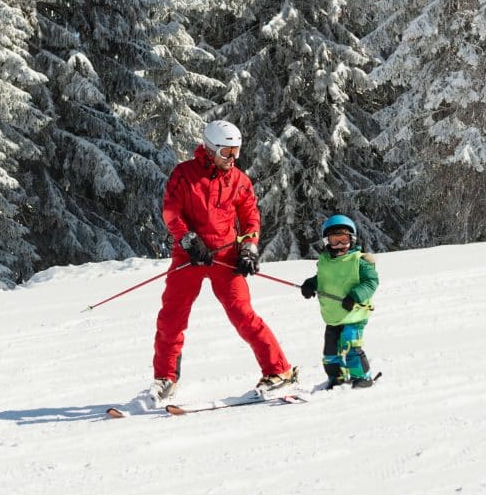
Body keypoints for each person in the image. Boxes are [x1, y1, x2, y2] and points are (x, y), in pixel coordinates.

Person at [148, 119, 296, 405]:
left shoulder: (239, 180)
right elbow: (171, 212)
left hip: (225, 255)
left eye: (236, 152)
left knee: (242, 314)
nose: (233, 158)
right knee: (171, 317)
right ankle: (165, 379)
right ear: (210, 148)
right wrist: (189, 239)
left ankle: (279, 371)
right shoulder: (184, 174)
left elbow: (250, 216)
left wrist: (249, 249)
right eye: (227, 152)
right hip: (190, 255)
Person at [300, 214, 379, 389]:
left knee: (351, 346)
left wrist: (355, 296)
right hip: (333, 315)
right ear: (327, 241)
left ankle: (362, 377)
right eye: (335, 241)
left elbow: (371, 282)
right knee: (330, 351)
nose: (339, 246)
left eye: (343, 240)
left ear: (352, 239)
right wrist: (310, 284)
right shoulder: (325, 262)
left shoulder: (359, 261)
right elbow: (323, 279)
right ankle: (337, 378)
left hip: (354, 314)